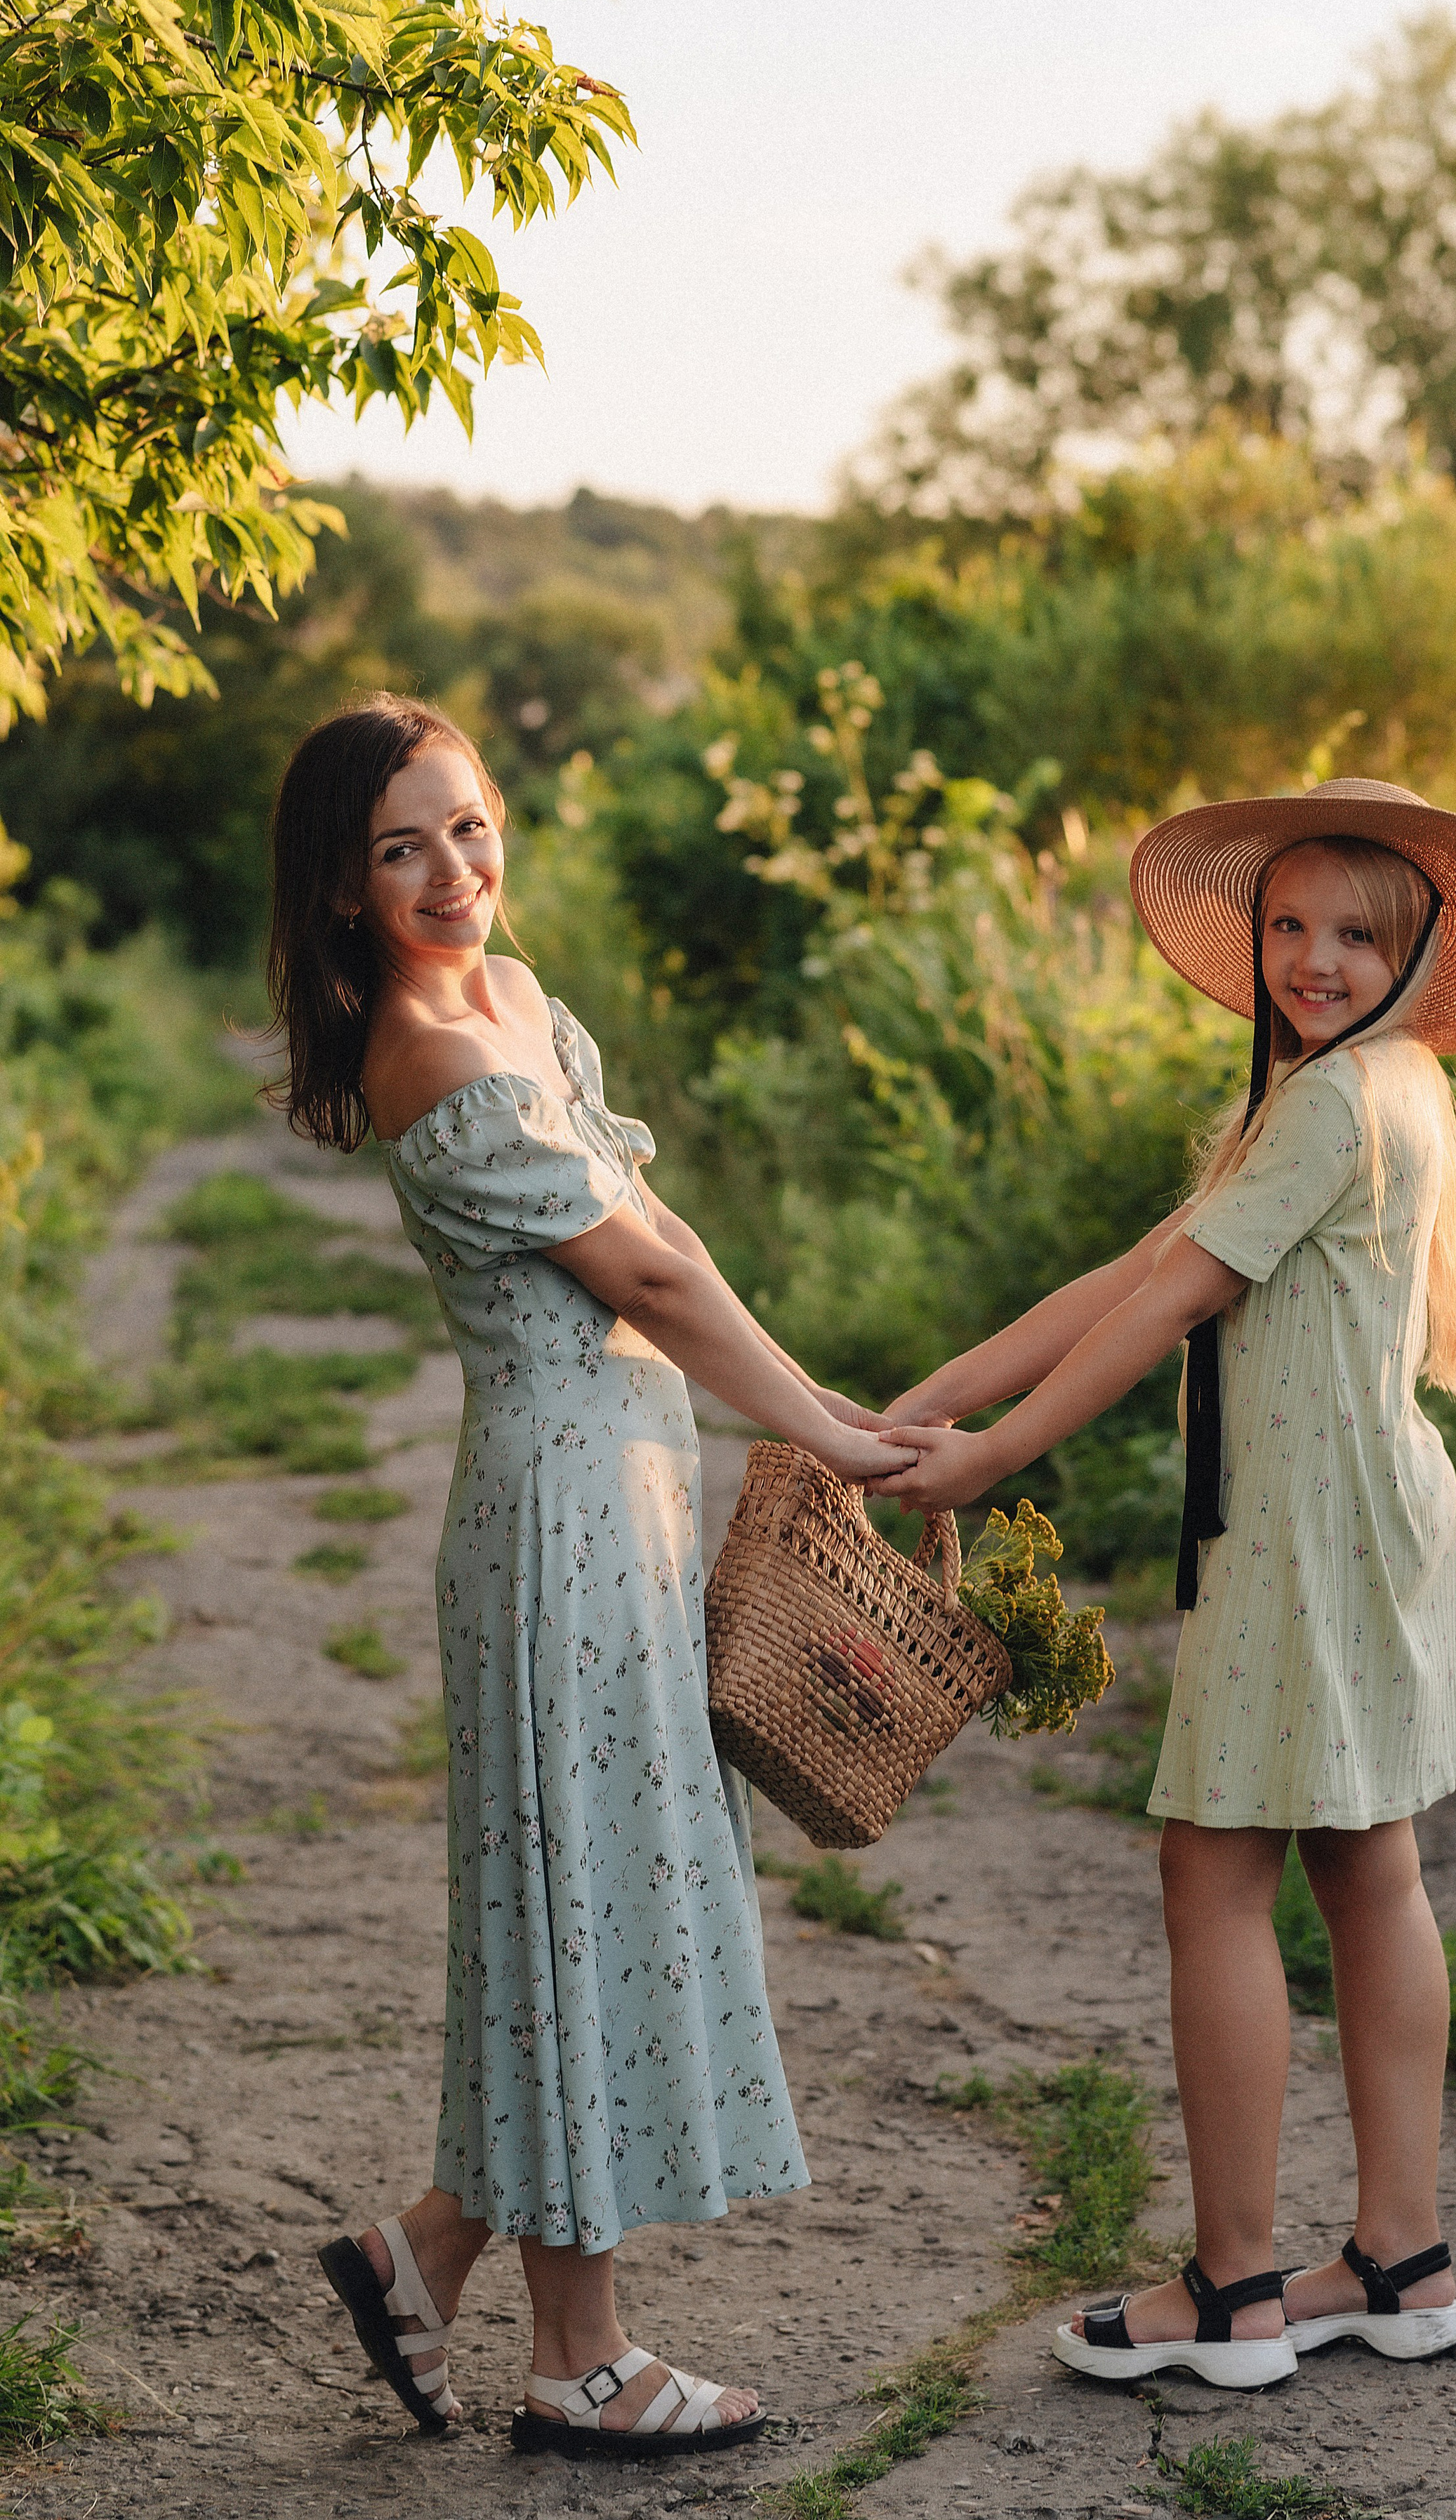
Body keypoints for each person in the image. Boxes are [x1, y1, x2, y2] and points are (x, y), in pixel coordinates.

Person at [265, 694, 915, 2460]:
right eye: (401, 848)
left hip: (621, 1491)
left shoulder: (516, 992)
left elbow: (676, 1236)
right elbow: (649, 1284)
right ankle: (584, 2359)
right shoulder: (431, 1054)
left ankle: (427, 2247)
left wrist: (814, 1404)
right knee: (581, 1901)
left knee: (590, 1885)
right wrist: (834, 1443)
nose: (452, 869)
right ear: (340, 887)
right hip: (552, 1517)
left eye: (467, 825)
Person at [871, 778, 1456, 2391]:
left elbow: (1159, 1304)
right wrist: (932, 1396)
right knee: (1367, 1869)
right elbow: (1132, 1272)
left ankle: (1235, 2284)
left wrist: (992, 1456)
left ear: (1407, 956)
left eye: (1351, 933)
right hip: (1369, 1511)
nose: (1309, 957)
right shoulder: (1363, 1086)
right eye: (1286, 925)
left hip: (1304, 1528)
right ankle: (1400, 2258)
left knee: (1211, 1875)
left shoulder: (1331, 1100)